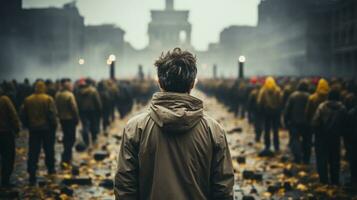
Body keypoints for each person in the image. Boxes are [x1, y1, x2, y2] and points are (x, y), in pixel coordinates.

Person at [114, 48, 234, 200]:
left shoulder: (135, 128)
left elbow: (125, 188)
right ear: (192, 84)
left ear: (159, 83)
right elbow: (223, 190)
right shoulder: (214, 131)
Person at [21, 81, 58, 185]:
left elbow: (23, 114)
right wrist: (54, 125)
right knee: (49, 149)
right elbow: (52, 114)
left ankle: (32, 171)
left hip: (33, 130)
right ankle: (51, 169)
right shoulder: (48, 99)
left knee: (33, 151)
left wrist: (27, 125)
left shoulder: (28, 99)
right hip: (47, 129)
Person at [313, 89, 347, 185]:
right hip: (335, 137)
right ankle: (335, 180)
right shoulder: (342, 108)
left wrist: (317, 133)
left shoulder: (322, 106)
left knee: (322, 159)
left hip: (322, 137)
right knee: (335, 159)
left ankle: (323, 180)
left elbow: (315, 121)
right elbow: (345, 124)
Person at [284, 80, 310, 163]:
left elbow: (287, 109)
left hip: (294, 122)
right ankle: (306, 159)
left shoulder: (293, 96)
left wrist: (286, 120)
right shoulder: (309, 96)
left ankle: (297, 157)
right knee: (306, 140)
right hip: (306, 123)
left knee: (295, 139)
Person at [55, 79, 79, 167]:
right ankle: (67, 157)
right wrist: (76, 118)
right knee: (71, 138)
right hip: (70, 119)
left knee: (66, 136)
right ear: (68, 87)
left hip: (62, 118)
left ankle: (66, 154)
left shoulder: (58, 95)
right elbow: (74, 108)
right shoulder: (69, 95)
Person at [0, 87, 20, 187]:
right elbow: (13, 114)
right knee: (8, 157)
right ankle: (5, 181)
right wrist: (17, 129)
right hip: (5, 133)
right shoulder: (4, 100)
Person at [258, 76, 282, 153]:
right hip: (275, 113)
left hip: (266, 113)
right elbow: (280, 101)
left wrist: (261, 111)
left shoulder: (263, 90)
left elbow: (260, 102)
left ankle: (267, 146)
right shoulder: (278, 90)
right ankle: (276, 146)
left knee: (267, 130)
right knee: (275, 130)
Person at [76, 79, 102, 147]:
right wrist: (99, 110)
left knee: (85, 126)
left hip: (83, 111)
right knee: (93, 125)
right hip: (93, 111)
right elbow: (97, 101)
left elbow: (77, 102)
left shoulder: (78, 92)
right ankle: (94, 139)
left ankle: (86, 142)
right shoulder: (93, 91)